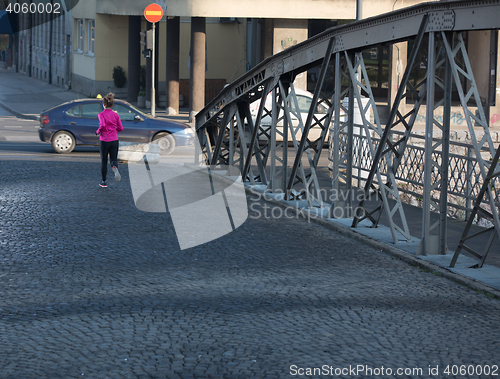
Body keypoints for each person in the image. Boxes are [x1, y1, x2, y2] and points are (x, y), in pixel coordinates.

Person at [96, 93, 123, 188]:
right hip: (114, 139)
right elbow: (121, 128)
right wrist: (115, 130)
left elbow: (102, 125)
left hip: (104, 140)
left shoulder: (101, 114)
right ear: (112, 104)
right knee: (113, 159)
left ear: (104, 104)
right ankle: (114, 167)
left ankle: (103, 181)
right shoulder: (115, 115)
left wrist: (97, 131)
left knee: (104, 161)